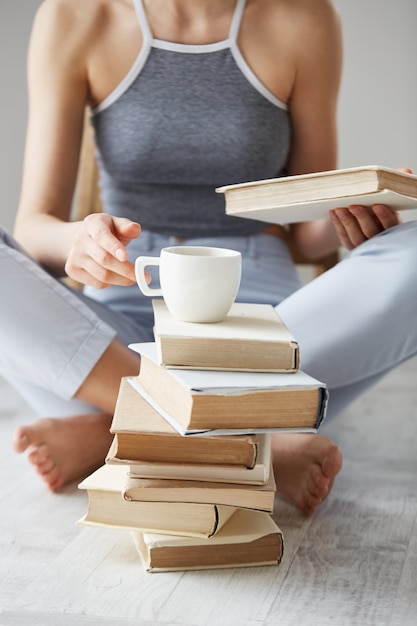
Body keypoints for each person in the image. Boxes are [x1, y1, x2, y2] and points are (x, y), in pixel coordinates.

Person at [2, 0, 416, 515]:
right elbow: (33, 229)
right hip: (115, 344)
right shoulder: (75, 16)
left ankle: (115, 432)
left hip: (269, 338)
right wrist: (76, 244)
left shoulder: (305, 18)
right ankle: (249, 442)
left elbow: (307, 232)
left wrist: (353, 218)